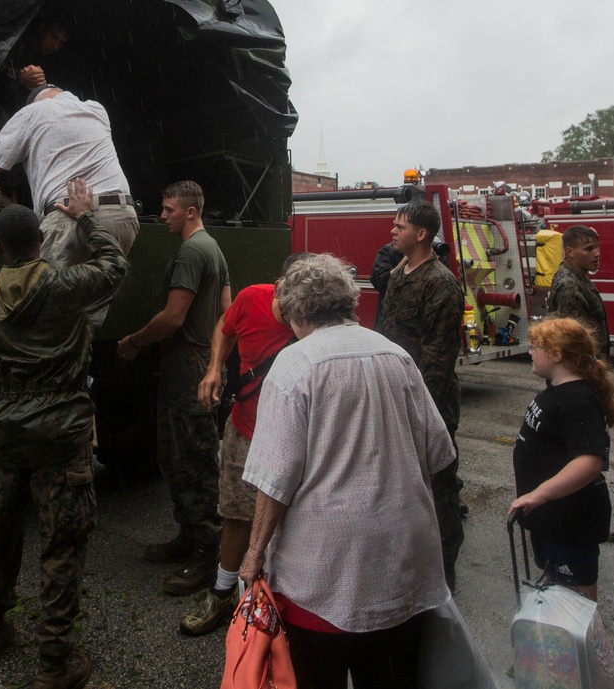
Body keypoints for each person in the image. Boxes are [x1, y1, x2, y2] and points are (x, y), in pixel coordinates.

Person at [239, 254, 456, 689]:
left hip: (327, 570)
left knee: (320, 676)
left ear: (300, 312)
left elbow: (274, 479)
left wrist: (253, 555)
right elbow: (436, 454)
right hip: (405, 559)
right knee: (393, 677)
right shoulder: (397, 356)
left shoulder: (296, 364)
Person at [0, 179, 128, 689]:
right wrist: (84, 216)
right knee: (61, 545)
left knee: (1, 532)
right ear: (41, 238)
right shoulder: (62, 285)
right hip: (62, 431)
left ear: (0, 248)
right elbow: (114, 267)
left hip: (8, 432)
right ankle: (54, 663)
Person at [180, 254, 306, 635]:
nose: (297, 313)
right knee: (237, 513)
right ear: (280, 286)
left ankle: (279, 600)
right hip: (247, 429)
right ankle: (222, 594)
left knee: (293, 519)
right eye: (290, 302)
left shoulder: (319, 318)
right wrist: (215, 367)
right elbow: (224, 324)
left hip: (297, 436)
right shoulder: (252, 298)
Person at [115, 180, 231, 596]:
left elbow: (172, 318)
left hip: (186, 368)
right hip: (195, 364)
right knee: (177, 453)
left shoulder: (191, 253)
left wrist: (132, 342)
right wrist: (215, 362)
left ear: (190, 212)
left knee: (193, 460)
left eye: (168, 210)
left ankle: (209, 554)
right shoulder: (213, 249)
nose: (162, 216)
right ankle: (191, 536)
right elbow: (226, 314)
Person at [0, 85, 138, 275]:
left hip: (71, 219)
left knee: (51, 304)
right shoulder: (96, 110)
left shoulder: (31, 113)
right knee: (93, 305)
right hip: (122, 217)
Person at [375, 199, 465, 591]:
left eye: (400, 227)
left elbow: (438, 360)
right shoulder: (399, 273)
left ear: (422, 234)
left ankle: (445, 575)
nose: (393, 232)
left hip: (429, 402)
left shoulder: (440, 283)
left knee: (438, 483)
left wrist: (421, 414)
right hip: (395, 395)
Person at [509, 317, 614, 602]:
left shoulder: (577, 401)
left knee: (575, 602)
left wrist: (539, 495)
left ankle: (580, 648)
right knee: (555, 592)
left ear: (557, 354)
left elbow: (589, 461)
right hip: (551, 519)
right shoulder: (557, 390)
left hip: (570, 520)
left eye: (536, 347)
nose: (530, 351)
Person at [547, 225, 609, 359]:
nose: (597, 253)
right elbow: (574, 342)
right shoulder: (571, 287)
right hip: (581, 369)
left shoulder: (574, 274)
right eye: (589, 249)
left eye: (597, 247)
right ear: (570, 252)